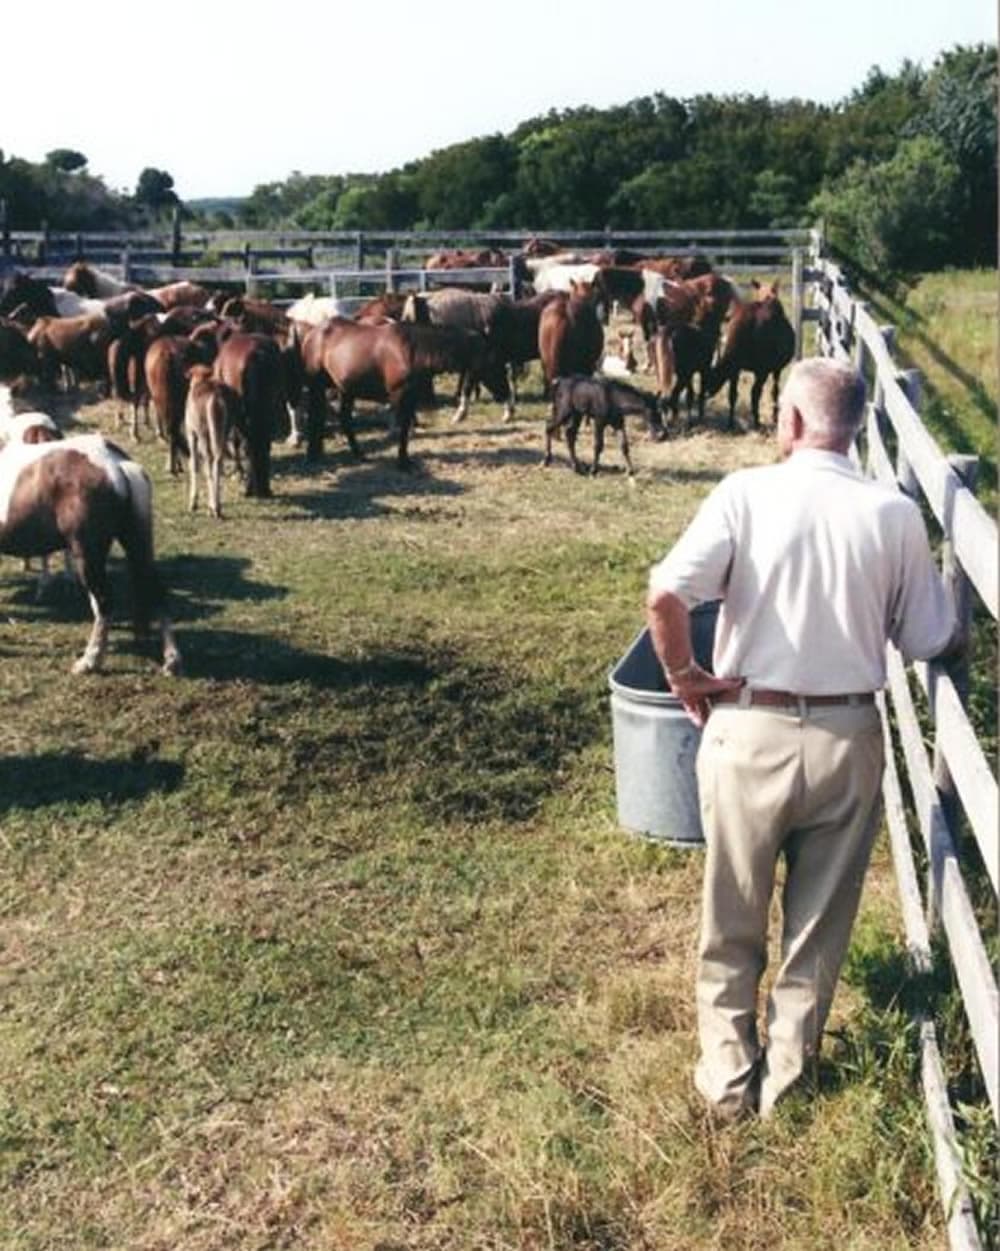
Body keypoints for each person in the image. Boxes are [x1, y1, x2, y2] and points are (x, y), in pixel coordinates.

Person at [645, 356, 957, 1121]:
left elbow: (665, 593)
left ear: (789, 421)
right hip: (848, 732)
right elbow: (928, 636)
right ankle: (786, 1081)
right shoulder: (893, 513)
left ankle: (726, 1076)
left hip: (750, 724)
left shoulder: (745, 494)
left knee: (732, 910)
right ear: (854, 428)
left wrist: (685, 673)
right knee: (819, 923)